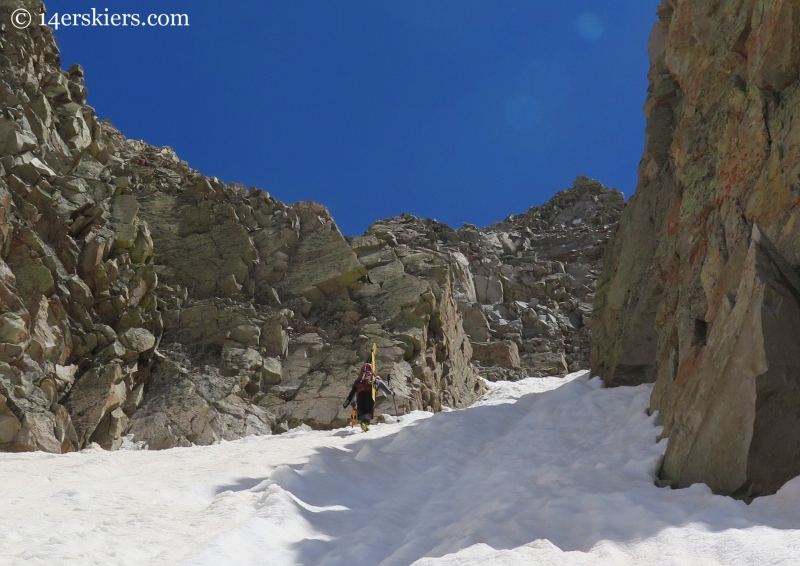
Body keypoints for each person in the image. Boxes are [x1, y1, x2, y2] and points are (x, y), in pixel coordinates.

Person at [343, 360, 394, 431]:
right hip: (369, 396)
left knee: (361, 411)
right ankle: (364, 424)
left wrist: (353, 403)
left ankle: (362, 421)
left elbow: (353, 392)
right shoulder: (376, 379)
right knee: (368, 412)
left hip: (360, 396)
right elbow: (387, 391)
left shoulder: (358, 381)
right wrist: (392, 393)